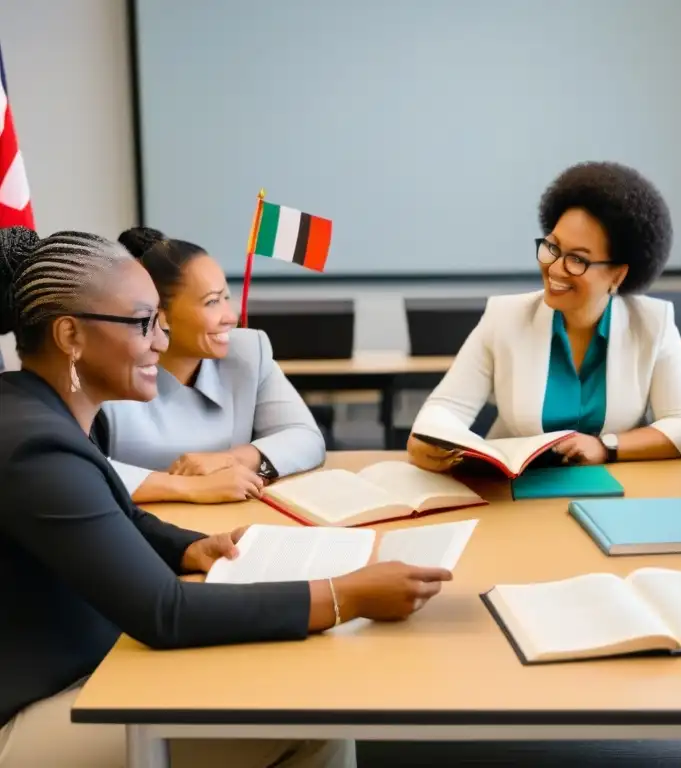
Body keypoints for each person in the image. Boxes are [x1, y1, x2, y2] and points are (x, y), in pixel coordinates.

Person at [0, 227, 452, 767]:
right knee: (312, 725)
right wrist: (342, 597)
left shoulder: (39, 412)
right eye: (144, 324)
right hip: (35, 713)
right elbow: (164, 613)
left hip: (98, 670)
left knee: (306, 709)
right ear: (70, 335)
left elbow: (113, 518)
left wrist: (192, 548)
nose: (160, 343)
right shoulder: (37, 445)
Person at [407, 161, 681, 472]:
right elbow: (445, 408)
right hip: (513, 491)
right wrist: (428, 437)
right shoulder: (505, 317)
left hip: (613, 491)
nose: (554, 268)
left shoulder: (652, 323)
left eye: (577, 259)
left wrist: (606, 446)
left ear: (617, 274)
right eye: (552, 247)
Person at [100, 226, 326, 504]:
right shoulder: (103, 368)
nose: (230, 317)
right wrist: (188, 487)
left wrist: (230, 460)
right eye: (212, 302)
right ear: (160, 316)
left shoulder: (248, 351)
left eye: (226, 298)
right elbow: (70, 471)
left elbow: (306, 438)